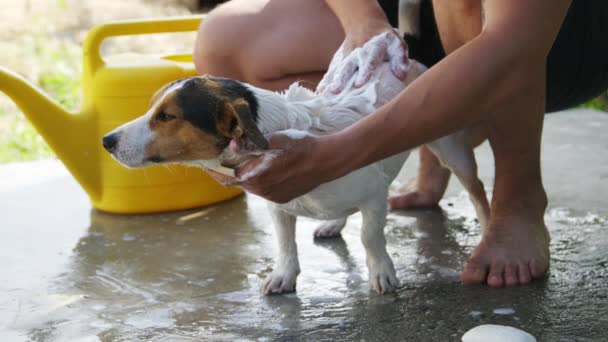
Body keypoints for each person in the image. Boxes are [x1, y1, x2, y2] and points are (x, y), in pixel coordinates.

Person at [193, 0, 608, 287]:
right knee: (224, 38)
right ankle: (434, 138)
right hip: (411, 20)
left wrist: (337, 155)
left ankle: (518, 197)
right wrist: (365, 21)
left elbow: (514, 44)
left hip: (549, 38)